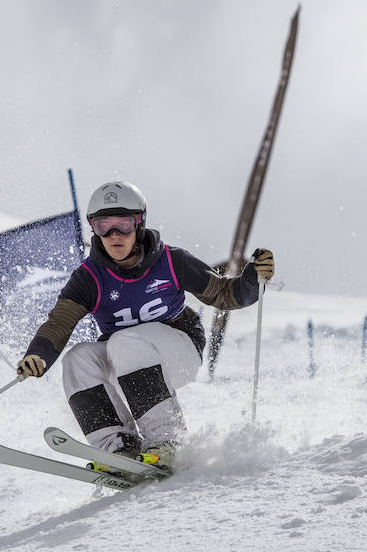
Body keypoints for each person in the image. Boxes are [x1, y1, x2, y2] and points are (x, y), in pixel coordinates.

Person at [16, 181, 275, 472]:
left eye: (123, 224)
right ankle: (118, 447)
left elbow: (225, 295)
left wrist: (252, 280)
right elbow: (60, 321)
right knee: (77, 358)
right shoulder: (90, 277)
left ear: (139, 223)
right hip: (126, 364)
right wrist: (38, 353)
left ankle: (166, 442)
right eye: (103, 226)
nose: (114, 235)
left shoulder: (171, 261)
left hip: (179, 349)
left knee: (124, 341)